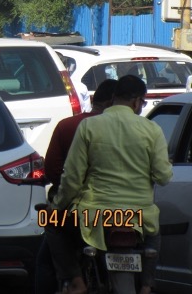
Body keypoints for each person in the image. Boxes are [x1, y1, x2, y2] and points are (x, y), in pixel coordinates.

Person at [45, 75, 173, 294]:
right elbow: (163, 176)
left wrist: (57, 206)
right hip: (138, 216)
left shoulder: (89, 126)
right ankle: (145, 285)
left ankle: (75, 281)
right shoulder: (152, 130)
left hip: (94, 215)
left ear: (114, 98)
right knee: (154, 234)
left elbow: (72, 178)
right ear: (137, 102)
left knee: (51, 223)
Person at [35, 79, 117, 294]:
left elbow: (54, 171)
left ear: (92, 100)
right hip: (124, 213)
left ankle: (74, 279)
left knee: (46, 251)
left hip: (75, 212)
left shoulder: (69, 125)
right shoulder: (131, 129)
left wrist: (59, 203)